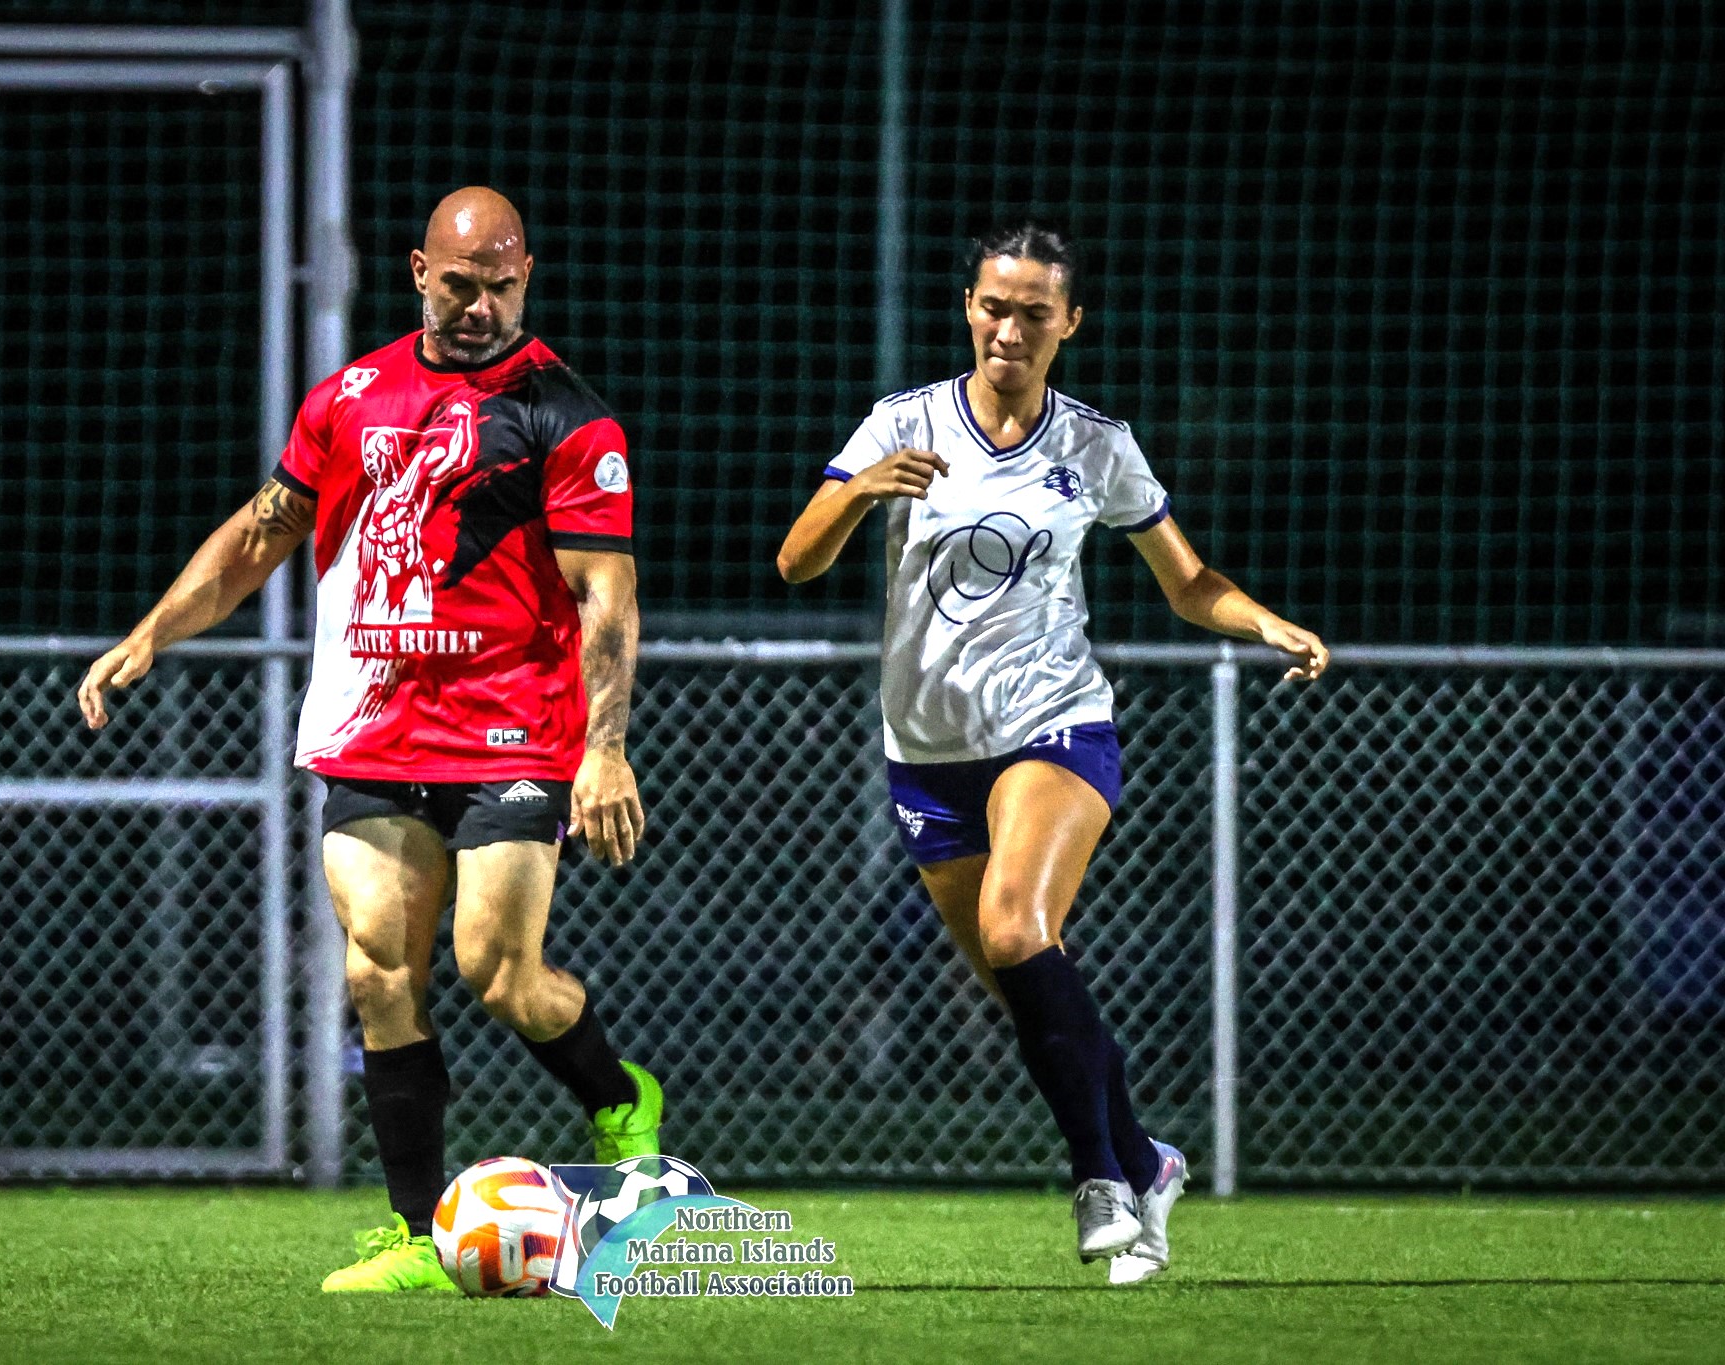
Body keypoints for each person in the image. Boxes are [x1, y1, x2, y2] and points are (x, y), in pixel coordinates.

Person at [77, 186, 662, 1295]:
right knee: (378, 971)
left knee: (497, 974)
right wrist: (151, 633)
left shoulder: (564, 413)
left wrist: (604, 747)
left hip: (511, 730)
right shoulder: (349, 398)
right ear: (416, 273)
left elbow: (608, 597)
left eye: (499, 286)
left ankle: (619, 1098)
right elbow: (262, 535)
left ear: (525, 276)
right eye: (458, 285)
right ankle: (409, 1237)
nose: (479, 306)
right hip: (374, 726)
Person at [776, 219, 1327, 1282]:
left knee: (1017, 928)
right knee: (1018, 984)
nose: (1009, 328)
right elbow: (798, 560)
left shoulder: (1092, 445)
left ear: (1068, 323)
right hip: (925, 751)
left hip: (1052, 723)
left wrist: (1265, 624)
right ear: (967, 309)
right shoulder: (904, 422)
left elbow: (1186, 581)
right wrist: (860, 490)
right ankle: (1144, 1155)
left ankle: (1098, 1182)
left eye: (1034, 312)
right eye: (994, 305)